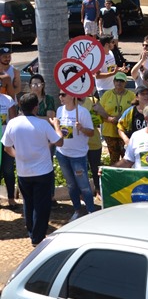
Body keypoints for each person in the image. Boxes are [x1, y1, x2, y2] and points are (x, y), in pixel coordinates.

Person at [2, 93, 63, 246]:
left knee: (28, 204)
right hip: (43, 172)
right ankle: (37, 237)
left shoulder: (12, 124)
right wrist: (56, 126)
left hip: (24, 172)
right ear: (36, 107)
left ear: (19, 107)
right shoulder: (42, 124)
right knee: (41, 206)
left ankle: (32, 232)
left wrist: (18, 156)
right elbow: (60, 142)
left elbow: (6, 147)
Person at [55, 91, 95, 220]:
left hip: (78, 155)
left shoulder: (82, 112)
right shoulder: (59, 110)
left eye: (63, 95)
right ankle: (77, 210)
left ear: (72, 96)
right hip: (62, 153)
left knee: (84, 185)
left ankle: (91, 211)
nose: (60, 97)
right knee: (71, 185)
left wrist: (82, 129)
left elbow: (91, 133)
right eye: (60, 95)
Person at [95, 71, 135, 163]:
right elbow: (99, 110)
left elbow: (134, 112)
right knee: (114, 158)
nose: (119, 83)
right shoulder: (107, 94)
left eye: (121, 81)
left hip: (125, 132)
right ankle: (114, 176)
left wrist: (122, 118)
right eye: (117, 81)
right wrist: (109, 119)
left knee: (127, 158)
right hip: (110, 131)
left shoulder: (131, 95)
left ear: (125, 82)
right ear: (113, 82)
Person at [0, 89, 18, 209]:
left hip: (6, 141)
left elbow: (13, 121)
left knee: (8, 170)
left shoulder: (7, 99)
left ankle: (11, 199)